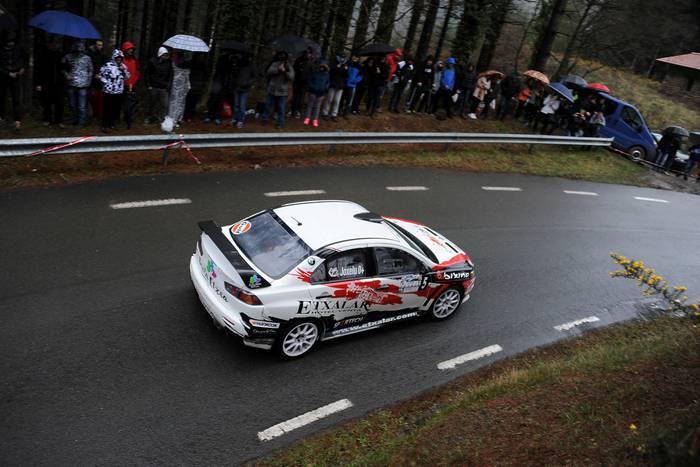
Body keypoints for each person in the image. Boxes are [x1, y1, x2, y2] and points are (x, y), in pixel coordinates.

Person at [35, 34, 66, 128]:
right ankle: (47, 119)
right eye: (52, 44)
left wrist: (64, 63)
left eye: (55, 44)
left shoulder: (61, 55)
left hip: (59, 83)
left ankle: (59, 120)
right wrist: (38, 83)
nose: (54, 46)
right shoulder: (43, 55)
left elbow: (64, 68)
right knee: (47, 102)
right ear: (48, 45)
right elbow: (38, 70)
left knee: (59, 102)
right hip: (47, 82)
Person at [61, 40, 93, 127]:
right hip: (71, 84)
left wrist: (88, 82)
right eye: (77, 48)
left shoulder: (87, 58)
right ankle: (74, 120)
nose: (79, 50)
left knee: (82, 105)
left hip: (83, 85)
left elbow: (90, 70)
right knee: (72, 104)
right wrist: (66, 75)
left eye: (81, 48)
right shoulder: (68, 57)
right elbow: (62, 68)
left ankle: (81, 122)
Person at [99, 49, 130, 132]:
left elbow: (127, 77)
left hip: (118, 91)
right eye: (117, 57)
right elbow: (101, 75)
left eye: (120, 57)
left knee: (115, 109)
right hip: (108, 91)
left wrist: (123, 70)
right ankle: (104, 125)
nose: (119, 59)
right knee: (107, 108)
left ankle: (112, 124)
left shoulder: (123, 66)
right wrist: (106, 82)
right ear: (114, 57)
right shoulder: (107, 65)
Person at [0, 33, 26, 130]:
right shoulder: (0, 50)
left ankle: (17, 120)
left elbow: (25, 59)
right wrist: (8, 73)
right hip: (3, 77)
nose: (11, 43)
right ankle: (1, 117)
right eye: (9, 42)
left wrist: (23, 68)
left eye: (12, 41)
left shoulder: (18, 49)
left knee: (16, 98)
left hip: (16, 76)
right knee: (1, 97)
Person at [262, 51, 294, 128]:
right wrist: (278, 70)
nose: (281, 57)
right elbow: (269, 71)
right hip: (272, 89)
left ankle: (280, 123)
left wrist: (284, 71)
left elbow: (291, 77)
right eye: (280, 55)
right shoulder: (274, 64)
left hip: (282, 91)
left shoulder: (289, 66)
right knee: (268, 105)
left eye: (283, 56)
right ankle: (265, 119)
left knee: (281, 108)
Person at [145, 46, 172, 124]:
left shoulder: (168, 63)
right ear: (160, 55)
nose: (166, 56)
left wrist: (168, 84)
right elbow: (147, 74)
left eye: (166, 55)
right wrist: (148, 85)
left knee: (164, 104)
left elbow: (170, 75)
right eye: (164, 55)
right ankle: (150, 117)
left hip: (163, 87)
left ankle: (162, 119)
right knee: (152, 104)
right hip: (154, 86)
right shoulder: (152, 62)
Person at [231, 53, 257, 128]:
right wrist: (234, 67)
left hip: (245, 89)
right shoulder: (238, 64)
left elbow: (255, 77)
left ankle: (240, 120)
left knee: (242, 105)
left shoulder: (252, 66)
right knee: (236, 105)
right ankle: (235, 119)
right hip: (237, 87)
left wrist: (247, 83)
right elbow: (234, 75)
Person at [119, 41, 140, 129]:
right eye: (129, 49)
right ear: (125, 50)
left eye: (132, 49)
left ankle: (128, 120)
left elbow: (137, 72)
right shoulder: (121, 60)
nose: (131, 50)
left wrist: (134, 80)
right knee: (119, 103)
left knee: (130, 105)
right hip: (121, 86)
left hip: (131, 86)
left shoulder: (135, 60)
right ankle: (118, 118)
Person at [167, 51, 191, 125]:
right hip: (173, 88)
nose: (173, 58)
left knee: (180, 103)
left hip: (182, 89)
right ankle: (171, 117)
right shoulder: (171, 65)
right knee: (172, 103)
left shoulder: (185, 67)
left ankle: (178, 118)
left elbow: (187, 78)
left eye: (175, 57)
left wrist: (187, 86)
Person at [304, 61, 330, 127]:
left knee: (317, 107)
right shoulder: (314, 73)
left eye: (323, 67)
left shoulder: (326, 75)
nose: (322, 68)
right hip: (313, 92)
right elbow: (309, 81)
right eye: (321, 67)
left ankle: (315, 120)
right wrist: (313, 87)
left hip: (321, 93)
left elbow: (328, 83)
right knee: (310, 105)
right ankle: (307, 118)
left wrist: (325, 88)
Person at [322, 54, 348, 121]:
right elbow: (330, 73)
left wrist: (346, 70)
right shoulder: (334, 62)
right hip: (333, 84)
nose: (342, 59)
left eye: (344, 58)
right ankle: (325, 113)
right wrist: (336, 67)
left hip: (340, 86)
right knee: (329, 99)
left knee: (337, 101)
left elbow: (346, 76)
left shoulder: (346, 64)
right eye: (341, 57)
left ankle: (334, 114)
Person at [87, 40, 107, 119]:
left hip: (100, 81)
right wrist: (94, 74)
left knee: (100, 98)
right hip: (91, 80)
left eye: (101, 45)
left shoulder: (104, 55)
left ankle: (98, 115)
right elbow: (89, 66)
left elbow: (105, 66)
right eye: (98, 45)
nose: (100, 46)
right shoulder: (90, 54)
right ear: (95, 45)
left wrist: (101, 75)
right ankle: (92, 115)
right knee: (92, 97)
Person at [184, 54, 207, 121]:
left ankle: (190, 116)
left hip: (197, 86)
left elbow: (205, 76)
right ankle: (187, 116)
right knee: (189, 102)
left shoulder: (202, 65)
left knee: (193, 102)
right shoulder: (190, 63)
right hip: (191, 85)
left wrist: (203, 84)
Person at [291, 48, 313, 118]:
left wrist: (308, 81)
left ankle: (298, 111)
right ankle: (292, 110)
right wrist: (299, 69)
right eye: (307, 53)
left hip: (305, 83)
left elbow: (312, 73)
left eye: (309, 53)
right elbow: (294, 69)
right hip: (297, 81)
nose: (308, 54)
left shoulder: (311, 62)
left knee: (301, 98)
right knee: (295, 96)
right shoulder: (298, 60)